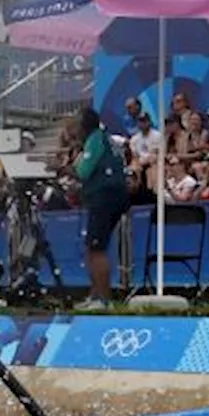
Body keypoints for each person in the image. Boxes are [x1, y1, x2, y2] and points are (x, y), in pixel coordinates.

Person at [72, 108, 130, 310]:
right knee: (93, 246)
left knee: (97, 249)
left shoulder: (95, 140)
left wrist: (70, 166)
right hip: (117, 194)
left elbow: (83, 171)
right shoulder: (108, 139)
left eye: (76, 125)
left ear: (84, 126)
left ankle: (104, 300)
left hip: (104, 196)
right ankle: (94, 294)